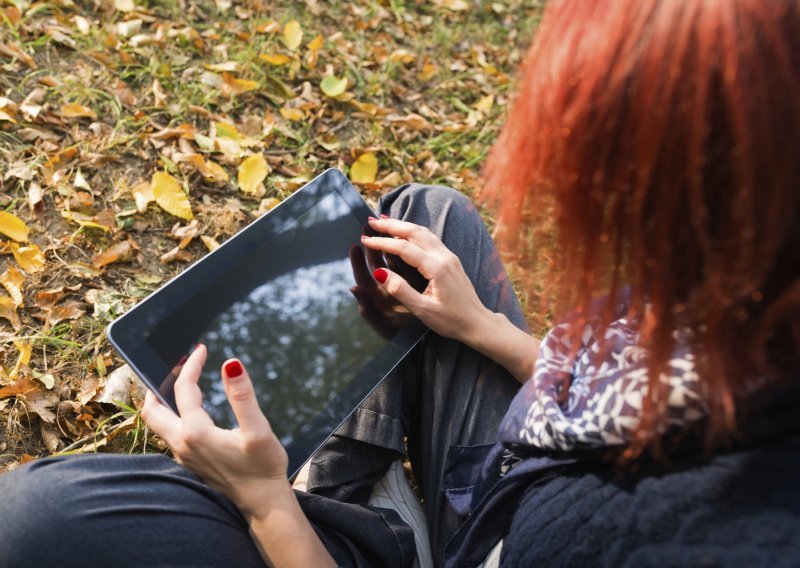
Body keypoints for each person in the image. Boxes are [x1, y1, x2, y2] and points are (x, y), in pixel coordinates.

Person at [2, 0, 800, 566]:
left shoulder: (715, 539)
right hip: (514, 489)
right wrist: (484, 328)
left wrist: (268, 505)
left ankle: (346, 511)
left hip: (485, 536)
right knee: (423, 223)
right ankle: (354, 494)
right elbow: (659, 401)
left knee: (31, 524)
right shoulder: (756, 338)